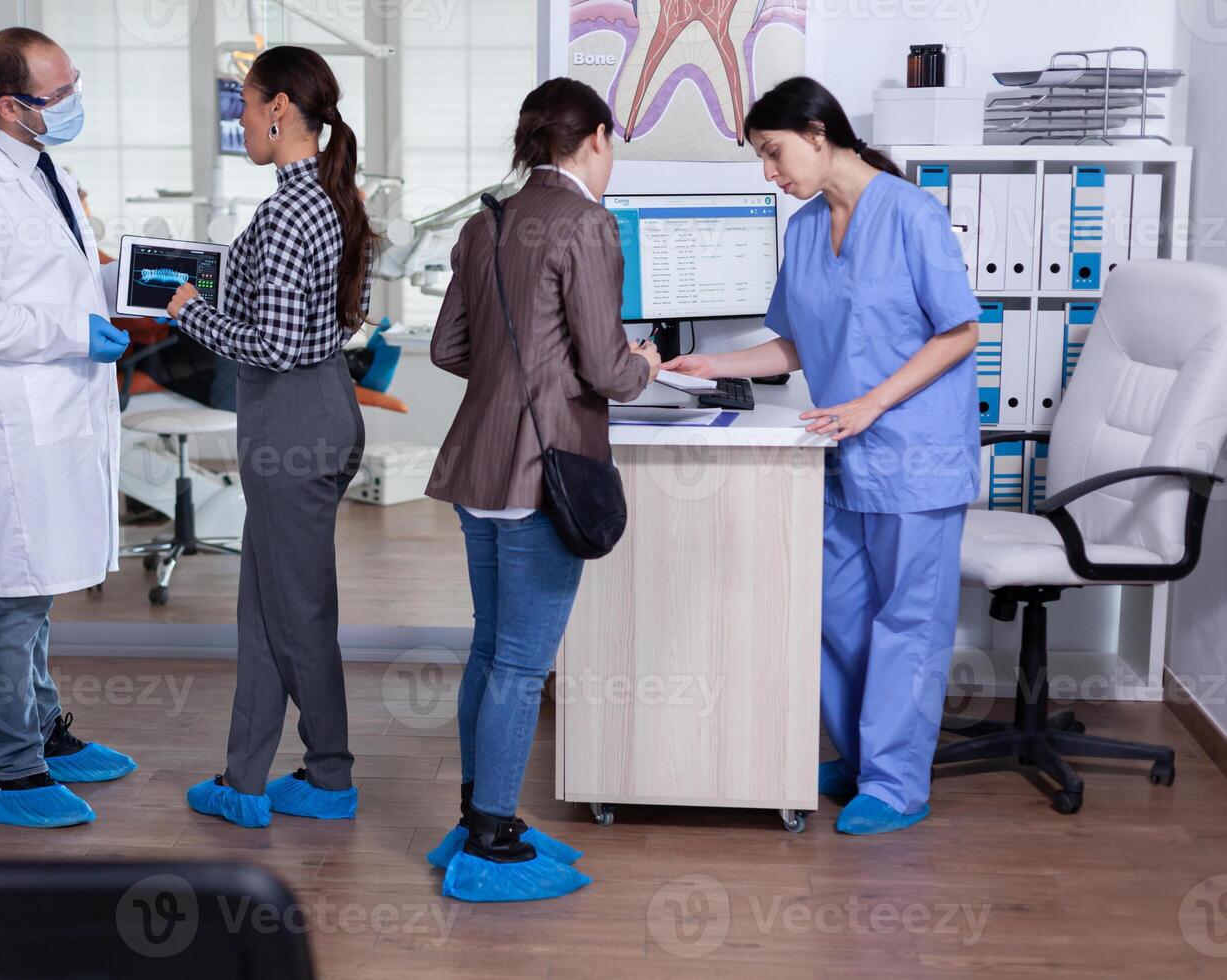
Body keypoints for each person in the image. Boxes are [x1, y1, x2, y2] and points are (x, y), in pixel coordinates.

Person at [663, 76, 982, 836]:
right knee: (838, 612)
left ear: (816, 132)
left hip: (914, 452)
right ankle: (861, 754)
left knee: (908, 618)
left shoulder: (911, 214)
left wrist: (874, 402)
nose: (769, 174)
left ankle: (898, 784)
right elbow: (794, 343)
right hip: (839, 452)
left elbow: (960, 330)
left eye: (773, 154)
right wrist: (715, 366)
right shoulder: (806, 229)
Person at [424, 77, 661, 902]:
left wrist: (515, 371)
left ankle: (475, 819)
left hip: (478, 467)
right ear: (595, 136)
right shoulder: (587, 224)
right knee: (522, 666)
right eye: (612, 143)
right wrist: (645, 365)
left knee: (491, 651)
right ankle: (490, 845)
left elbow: (449, 348)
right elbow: (604, 368)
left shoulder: (483, 221)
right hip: (544, 473)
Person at [0, 27, 137, 829]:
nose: (75, 101)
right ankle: (9, 770)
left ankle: (44, 729)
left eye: (75, 81)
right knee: (15, 591)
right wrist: (72, 333)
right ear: (11, 106)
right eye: (61, 92)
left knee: (39, 584)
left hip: (63, 406)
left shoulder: (45, 169)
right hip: (17, 421)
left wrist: (135, 282)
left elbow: (64, 277)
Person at [164, 46, 375, 829]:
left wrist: (187, 309)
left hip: (294, 415)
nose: (242, 121)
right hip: (313, 410)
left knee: (295, 612)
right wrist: (212, 278)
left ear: (281, 107)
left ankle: (327, 779)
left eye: (246, 106)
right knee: (267, 606)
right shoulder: (317, 195)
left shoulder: (289, 210)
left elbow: (279, 346)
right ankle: (248, 779)